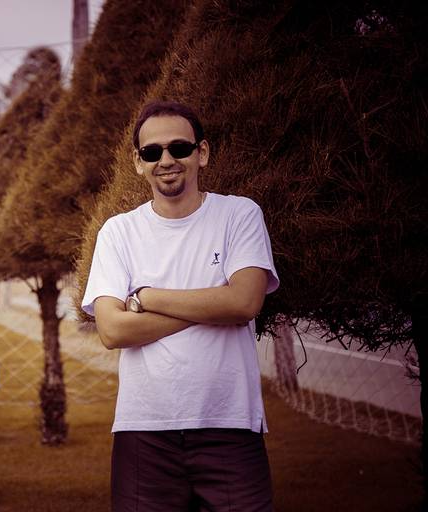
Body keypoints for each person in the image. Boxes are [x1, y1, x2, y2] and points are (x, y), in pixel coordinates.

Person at [81, 100, 279, 511]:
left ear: (201, 152)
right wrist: (213, 303)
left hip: (229, 424)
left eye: (179, 148)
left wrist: (146, 298)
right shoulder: (118, 232)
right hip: (144, 430)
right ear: (138, 163)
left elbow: (245, 302)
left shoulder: (239, 214)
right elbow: (113, 330)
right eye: (152, 152)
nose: (166, 160)